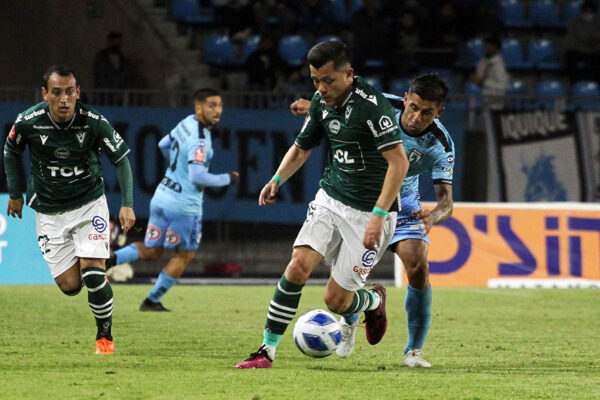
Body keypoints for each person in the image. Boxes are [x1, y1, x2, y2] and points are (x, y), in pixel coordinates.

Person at [235, 40, 409, 369]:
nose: (321, 88)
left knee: (336, 300)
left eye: (328, 80)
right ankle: (266, 351)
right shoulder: (320, 102)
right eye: (315, 80)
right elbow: (302, 148)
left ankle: (371, 299)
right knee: (297, 265)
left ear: (349, 74)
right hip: (331, 198)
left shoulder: (371, 106)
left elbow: (399, 163)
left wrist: (379, 213)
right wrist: (276, 179)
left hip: (371, 213)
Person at [287, 73, 455, 368]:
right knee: (340, 290)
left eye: (427, 112)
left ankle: (414, 351)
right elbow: (339, 89)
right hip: (355, 204)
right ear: (405, 100)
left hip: (402, 209)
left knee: (418, 264)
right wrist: (314, 104)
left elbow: (446, 202)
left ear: (439, 112)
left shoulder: (440, 144)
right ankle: (351, 318)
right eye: (413, 107)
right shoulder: (379, 105)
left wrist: (434, 216)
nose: (416, 117)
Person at [3, 64, 136, 355]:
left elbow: (122, 160)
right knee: (70, 286)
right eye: (57, 92)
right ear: (45, 94)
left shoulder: (93, 122)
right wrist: (14, 193)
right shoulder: (28, 121)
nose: (64, 99)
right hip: (50, 211)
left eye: (70, 92)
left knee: (90, 274)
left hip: (89, 204)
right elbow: (11, 150)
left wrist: (127, 203)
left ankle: (105, 336)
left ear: (78, 92)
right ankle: (101, 263)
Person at [108, 88, 239, 311]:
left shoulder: (186, 122)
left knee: (153, 250)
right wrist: (228, 178)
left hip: (162, 196)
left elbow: (162, 145)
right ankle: (152, 300)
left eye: (220, 105)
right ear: (198, 108)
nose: (218, 111)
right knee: (184, 254)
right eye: (212, 106)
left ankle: (107, 261)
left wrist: (174, 170)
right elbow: (197, 176)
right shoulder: (200, 141)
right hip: (184, 207)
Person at [93, 31, 134, 105]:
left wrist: (122, 92)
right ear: (109, 42)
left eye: (118, 42)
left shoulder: (124, 60)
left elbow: (127, 77)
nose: (116, 44)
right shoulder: (101, 59)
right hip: (105, 97)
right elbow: (100, 77)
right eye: (114, 41)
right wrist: (112, 92)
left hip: (120, 98)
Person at [564, 0, 600, 83]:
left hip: (593, 51)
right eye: (586, 11)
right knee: (570, 56)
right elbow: (582, 37)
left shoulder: (598, 22)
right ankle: (574, 83)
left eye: (591, 12)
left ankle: (595, 84)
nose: (588, 14)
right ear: (582, 11)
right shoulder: (574, 22)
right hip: (577, 50)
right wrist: (592, 38)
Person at [472, 34, 510, 110]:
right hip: (483, 103)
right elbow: (477, 79)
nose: (486, 47)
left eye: (490, 45)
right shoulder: (482, 61)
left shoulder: (499, 65)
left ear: (495, 47)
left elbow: (502, 87)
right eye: (486, 44)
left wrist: (484, 82)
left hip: (496, 106)